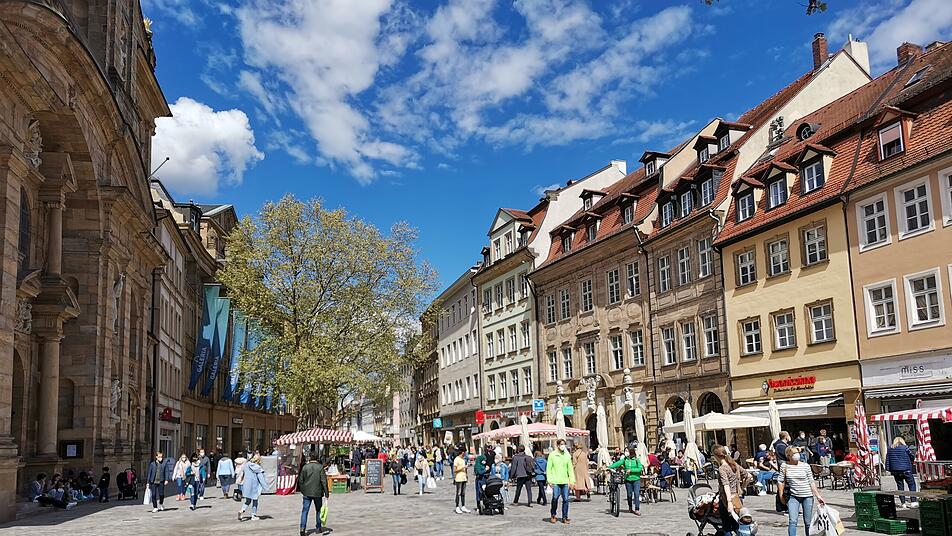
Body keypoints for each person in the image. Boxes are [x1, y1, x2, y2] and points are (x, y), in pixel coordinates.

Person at [778, 446, 825, 536]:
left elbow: (811, 481)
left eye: (797, 453)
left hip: (807, 496)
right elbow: (780, 481)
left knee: (808, 522)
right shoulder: (785, 466)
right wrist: (781, 495)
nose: (796, 455)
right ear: (788, 455)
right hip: (793, 496)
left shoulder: (805, 466)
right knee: (792, 520)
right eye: (794, 453)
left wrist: (818, 496)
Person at [713, 445, 746, 535]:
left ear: (716, 456)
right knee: (736, 523)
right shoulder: (734, 464)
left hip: (726, 499)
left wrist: (729, 502)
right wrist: (741, 488)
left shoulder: (722, 468)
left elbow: (725, 485)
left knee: (727, 526)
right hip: (737, 497)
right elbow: (748, 476)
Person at [298, 453, 329, 536]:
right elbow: (324, 481)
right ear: (317, 458)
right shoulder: (320, 467)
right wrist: (326, 493)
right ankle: (318, 527)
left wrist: (303, 490)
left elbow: (300, 480)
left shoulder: (305, 467)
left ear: (310, 458)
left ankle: (302, 528)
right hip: (317, 492)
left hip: (307, 492)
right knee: (318, 510)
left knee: (305, 511)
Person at [608, 445, 644, 516]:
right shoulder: (625, 459)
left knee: (636, 494)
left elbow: (640, 468)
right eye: (626, 451)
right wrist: (608, 467)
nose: (626, 452)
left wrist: (631, 470)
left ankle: (637, 509)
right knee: (629, 495)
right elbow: (617, 464)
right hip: (628, 479)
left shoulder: (636, 460)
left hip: (636, 479)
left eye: (627, 451)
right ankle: (630, 507)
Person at [547, 439, 575, 524]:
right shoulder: (552, 455)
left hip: (565, 481)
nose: (563, 446)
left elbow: (570, 469)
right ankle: (553, 515)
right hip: (555, 481)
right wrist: (550, 480)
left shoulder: (567, 455)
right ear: (558, 445)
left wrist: (572, 481)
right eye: (562, 444)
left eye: (564, 444)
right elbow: (549, 469)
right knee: (555, 498)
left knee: (566, 499)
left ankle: (565, 517)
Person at [886, 436, 918, 508]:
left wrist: (888, 468)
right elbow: (912, 456)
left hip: (895, 470)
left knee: (900, 486)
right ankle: (913, 501)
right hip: (906, 469)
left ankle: (903, 503)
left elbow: (887, 459)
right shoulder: (905, 448)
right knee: (911, 484)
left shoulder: (889, 448)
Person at [238, 454, 267, 521]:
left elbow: (242, 474)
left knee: (247, 501)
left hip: (246, 485)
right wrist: (265, 487)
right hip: (254, 486)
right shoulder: (257, 467)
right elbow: (261, 478)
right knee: (255, 501)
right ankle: (253, 515)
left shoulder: (246, 465)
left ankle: (241, 510)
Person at [453, 447, 470, 514]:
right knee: (458, 493)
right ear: (462, 452)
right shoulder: (456, 459)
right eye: (465, 452)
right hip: (458, 478)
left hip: (464, 478)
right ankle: (457, 507)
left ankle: (463, 506)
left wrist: (466, 475)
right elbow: (455, 470)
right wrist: (463, 467)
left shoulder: (463, 459)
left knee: (463, 493)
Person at [473, 447, 490, 512]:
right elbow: (479, 472)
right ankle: (478, 506)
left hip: (484, 480)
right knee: (479, 493)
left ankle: (486, 504)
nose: (485, 461)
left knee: (485, 493)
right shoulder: (477, 465)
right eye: (484, 460)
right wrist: (485, 470)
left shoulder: (483, 465)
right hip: (479, 480)